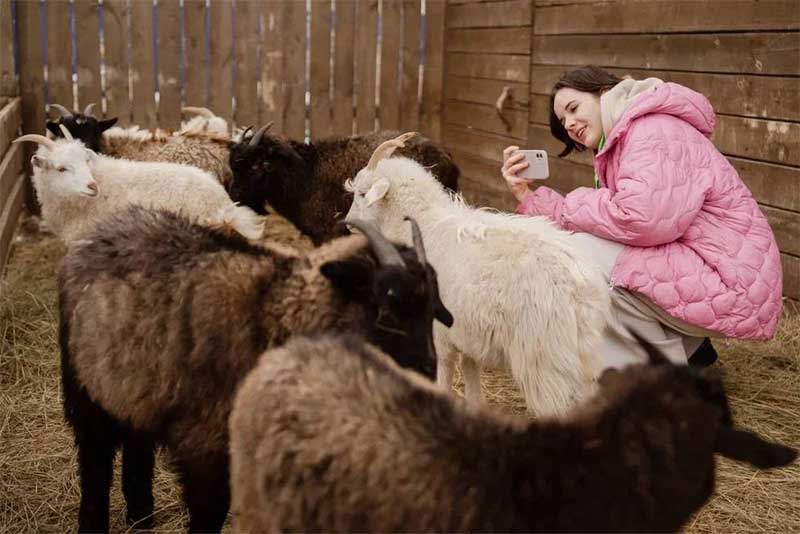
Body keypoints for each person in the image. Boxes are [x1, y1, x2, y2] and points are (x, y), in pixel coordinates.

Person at [501, 66, 782, 369]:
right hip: (719, 269)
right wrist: (528, 197)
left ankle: (656, 378)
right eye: (562, 120)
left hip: (732, 281)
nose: (569, 123)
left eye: (573, 108)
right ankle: (689, 354)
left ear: (604, 93)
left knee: (579, 258)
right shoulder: (628, 137)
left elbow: (641, 219)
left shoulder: (653, 130)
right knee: (593, 254)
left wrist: (560, 207)